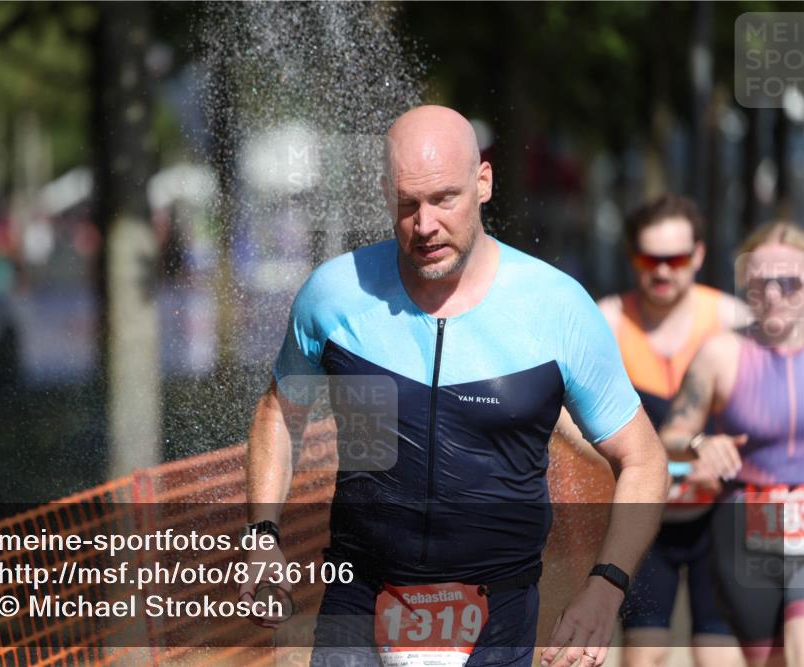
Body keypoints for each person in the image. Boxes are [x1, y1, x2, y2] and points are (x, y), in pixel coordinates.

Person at [239, 105, 668, 667]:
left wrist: (605, 589)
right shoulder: (334, 294)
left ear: (483, 183)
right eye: (407, 204)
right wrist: (262, 535)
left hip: (498, 616)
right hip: (359, 602)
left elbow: (643, 459)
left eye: (444, 199)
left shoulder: (557, 307)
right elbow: (280, 413)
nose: (425, 226)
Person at [598, 195, 748, 667]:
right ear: (631, 256)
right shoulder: (606, 323)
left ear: (699, 255)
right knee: (645, 657)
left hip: (719, 516)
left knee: (720, 656)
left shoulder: (735, 321)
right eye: (650, 258)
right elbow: (568, 426)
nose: (663, 272)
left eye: (677, 259)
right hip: (643, 518)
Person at [659, 221, 804, 667]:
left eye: (789, 282)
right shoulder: (721, 354)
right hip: (744, 526)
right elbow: (670, 437)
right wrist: (703, 442)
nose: (774, 294)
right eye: (761, 283)